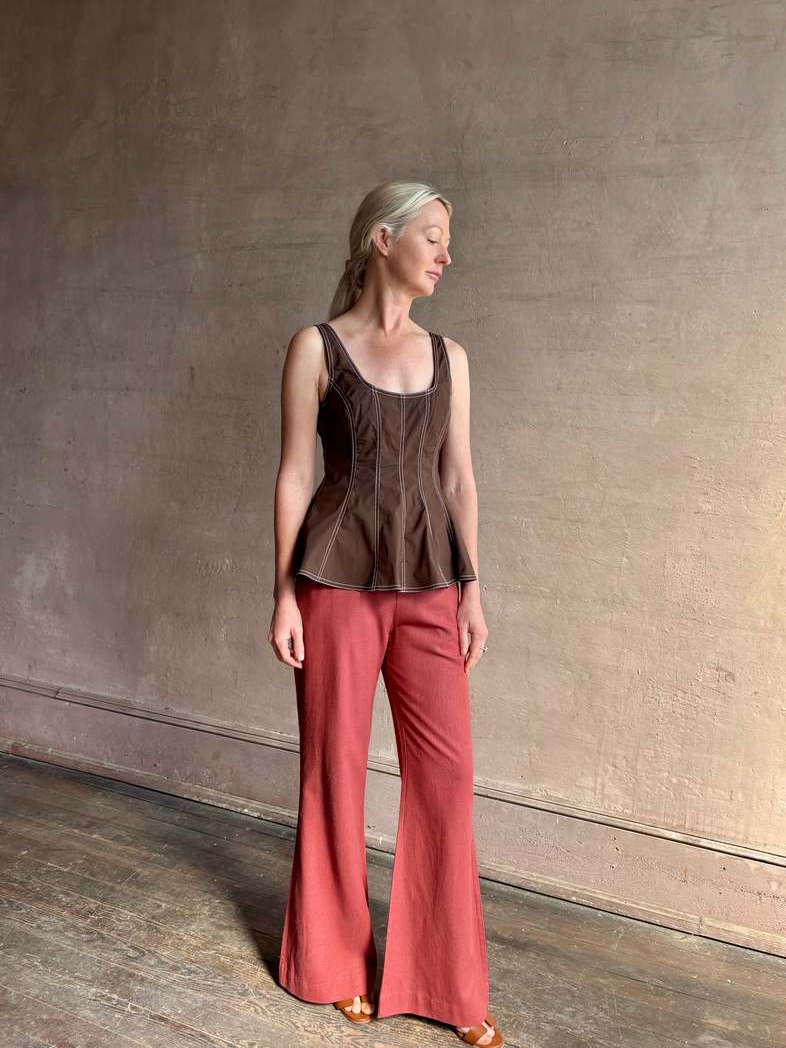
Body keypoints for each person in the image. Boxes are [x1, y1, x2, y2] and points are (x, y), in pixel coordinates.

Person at [268, 181, 503, 1047]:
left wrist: (472, 589)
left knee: (447, 775)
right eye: (432, 236)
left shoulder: (451, 357)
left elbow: (459, 479)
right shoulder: (316, 347)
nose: (445, 253)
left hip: (432, 582)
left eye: (447, 239)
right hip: (334, 583)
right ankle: (331, 962)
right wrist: (282, 591)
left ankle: (446, 980)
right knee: (333, 768)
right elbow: (297, 473)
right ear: (381, 239)